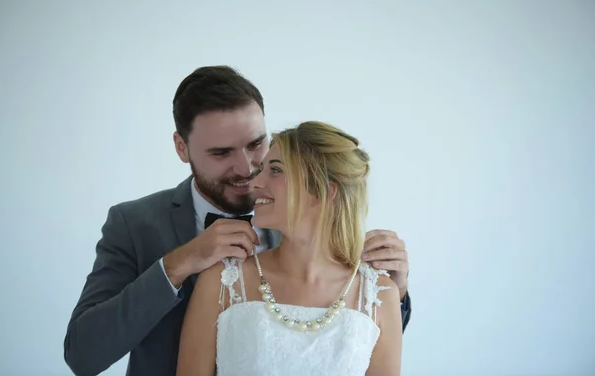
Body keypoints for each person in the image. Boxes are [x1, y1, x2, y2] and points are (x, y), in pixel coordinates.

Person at [63, 66, 411, 376]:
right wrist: (178, 264)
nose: (247, 169)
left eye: (256, 144)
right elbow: (83, 355)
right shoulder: (133, 223)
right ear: (182, 148)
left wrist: (397, 293)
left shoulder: (303, 210)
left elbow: (350, 346)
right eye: (221, 153)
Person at [176, 121, 403, 376]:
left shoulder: (380, 295)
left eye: (275, 170)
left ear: (323, 191)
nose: (254, 183)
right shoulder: (222, 282)